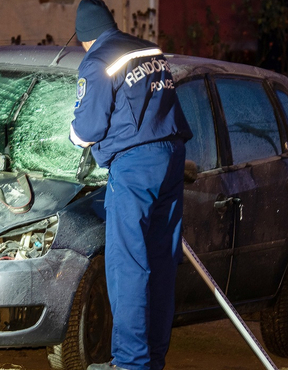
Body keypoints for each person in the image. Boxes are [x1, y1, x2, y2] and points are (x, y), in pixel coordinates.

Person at [69, 1, 193, 369]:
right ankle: (152, 359)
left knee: (129, 268)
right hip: (171, 158)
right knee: (161, 262)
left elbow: (86, 130)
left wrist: (74, 135)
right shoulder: (148, 49)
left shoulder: (96, 62)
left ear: (83, 38)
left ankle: (130, 363)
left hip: (135, 168)